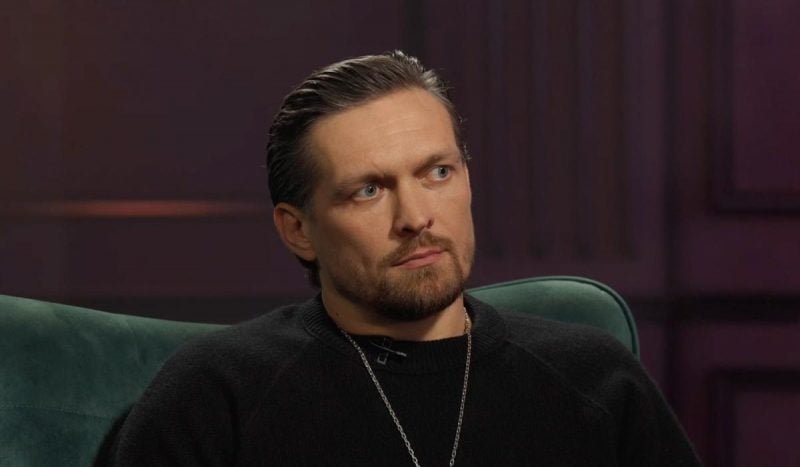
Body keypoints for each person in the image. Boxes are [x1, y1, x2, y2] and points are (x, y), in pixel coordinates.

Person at [107, 51, 701, 466]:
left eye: (437, 172)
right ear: (298, 230)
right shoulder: (216, 391)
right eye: (368, 190)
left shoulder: (594, 378)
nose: (416, 217)